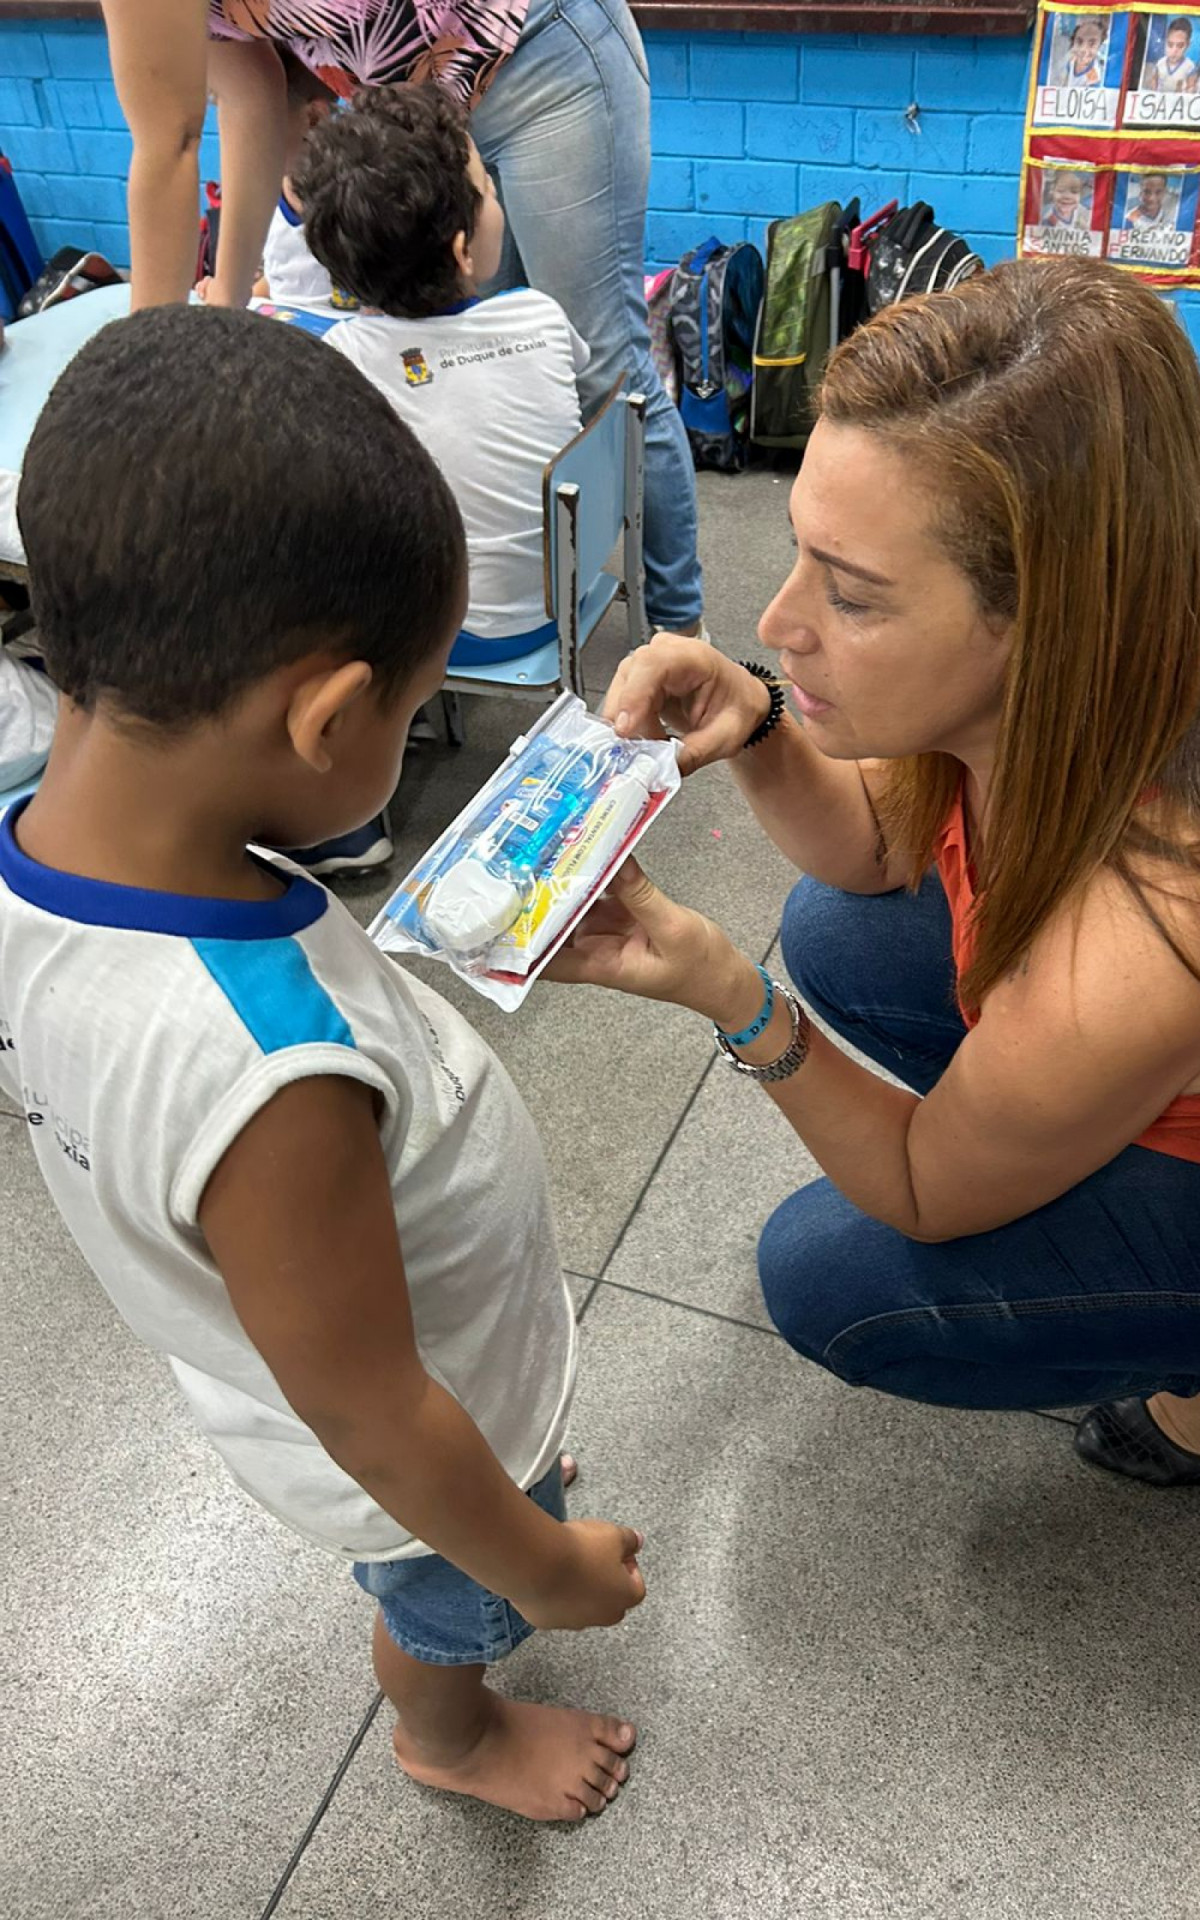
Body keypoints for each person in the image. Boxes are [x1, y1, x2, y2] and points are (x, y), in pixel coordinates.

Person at [1, 304, 644, 1822]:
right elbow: (372, 1408)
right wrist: (537, 1565)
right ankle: (453, 1733)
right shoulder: (270, 1083)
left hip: (309, 1370)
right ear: (332, 716)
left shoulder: (42, 847)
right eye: (414, 713)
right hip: (424, 1444)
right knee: (449, 1600)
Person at [551, 256, 1200, 1490]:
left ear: (1047, 620)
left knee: (833, 1279)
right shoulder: (1062, 691)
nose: (781, 621)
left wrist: (730, 995)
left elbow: (918, 1188)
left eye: (851, 597)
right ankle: (1067, 1123)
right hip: (1109, 1023)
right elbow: (879, 846)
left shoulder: (1151, 914)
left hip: (1156, 1072)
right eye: (800, 553)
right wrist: (755, 723)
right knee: (841, 926)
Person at [98, 0, 703, 638]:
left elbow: (171, 145)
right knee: (463, 364)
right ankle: (505, 585)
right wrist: (227, 299)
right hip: (428, 126)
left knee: (609, 370)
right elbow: (251, 102)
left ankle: (680, 629)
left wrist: (154, 375)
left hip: (539, 55)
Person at [293, 83, 586, 660]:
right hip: (563, 598)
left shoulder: (341, 358)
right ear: (462, 252)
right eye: (489, 190)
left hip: (432, 636)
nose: (496, 196)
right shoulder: (541, 314)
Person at [1148, 14, 1199, 89]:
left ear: (1188, 45)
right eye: (1170, 45)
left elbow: (1191, 88)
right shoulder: (1160, 63)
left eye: (1180, 46)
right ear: (1165, 41)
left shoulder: (1190, 67)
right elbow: (1153, 84)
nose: (1174, 50)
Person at [1060, 15, 1108, 84]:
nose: (1083, 49)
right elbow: (1064, 83)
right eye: (1079, 42)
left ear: (1100, 46)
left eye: (1092, 44)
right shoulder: (1072, 61)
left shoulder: (1094, 75)